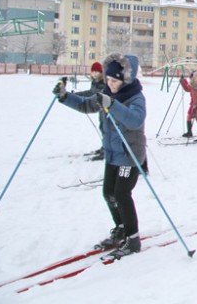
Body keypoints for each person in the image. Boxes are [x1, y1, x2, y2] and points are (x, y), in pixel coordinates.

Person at [52, 52, 147, 259]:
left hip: (129, 156)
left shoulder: (135, 97)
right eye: (108, 80)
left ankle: (133, 239)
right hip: (113, 154)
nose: (110, 84)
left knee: (122, 194)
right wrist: (65, 96)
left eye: (114, 81)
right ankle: (121, 228)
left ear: (125, 80)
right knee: (109, 194)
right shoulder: (106, 93)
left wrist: (112, 104)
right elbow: (86, 104)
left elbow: (135, 120)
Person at [75, 61, 106, 161]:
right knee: (102, 127)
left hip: (105, 109)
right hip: (99, 108)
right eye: (93, 72)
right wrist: (76, 95)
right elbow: (90, 92)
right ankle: (104, 147)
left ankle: (106, 150)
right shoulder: (94, 82)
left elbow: (96, 95)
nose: (95, 74)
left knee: (106, 129)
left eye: (97, 72)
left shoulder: (103, 83)